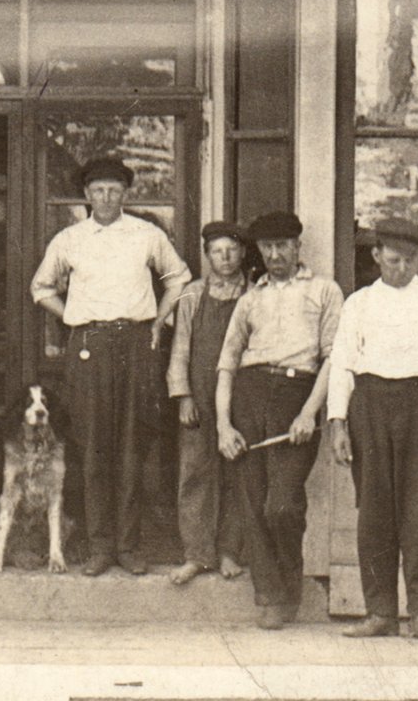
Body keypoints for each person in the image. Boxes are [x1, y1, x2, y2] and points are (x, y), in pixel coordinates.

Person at [30, 153, 191, 577]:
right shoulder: (70, 239)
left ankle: (129, 546)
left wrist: (160, 320)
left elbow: (178, 278)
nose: (105, 197)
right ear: (86, 194)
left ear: (125, 194)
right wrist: (70, 316)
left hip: (136, 344)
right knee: (94, 446)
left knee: (132, 446)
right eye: (98, 190)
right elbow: (40, 287)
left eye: (114, 190)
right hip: (89, 346)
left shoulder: (146, 234)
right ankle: (101, 546)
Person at [326, 215, 418, 643]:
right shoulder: (358, 303)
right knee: (375, 516)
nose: (402, 269)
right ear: (377, 255)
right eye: (394, 260)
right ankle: (379, 611)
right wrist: (338, 423)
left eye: (411, 261)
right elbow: (342, 364)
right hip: (371, 406)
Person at [215, 209, 343, 630]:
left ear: (297, 247)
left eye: (283, 246)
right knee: (253, 502)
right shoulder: (250, 299)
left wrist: (310, 411)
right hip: (249, 396)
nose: (275, 254)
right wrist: (223, 424)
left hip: (296, 395)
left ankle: (290, 587)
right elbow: (227, 364)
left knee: (282, 505)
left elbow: (334, 359)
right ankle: (270, 596)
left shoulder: (325, 291)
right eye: (267, 247)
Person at [166, 219, 251, 587]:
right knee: (196, 471)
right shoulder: (191, 294)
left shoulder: (254, 292)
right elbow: (180, 346)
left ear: (243, 253)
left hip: (243, 389)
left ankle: (231, 551)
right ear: (206, 256)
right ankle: (197, 554)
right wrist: (183, 394)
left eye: (231, 249)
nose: (226, 257)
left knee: (238, 472)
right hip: (200, 391)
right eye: (217, 251)